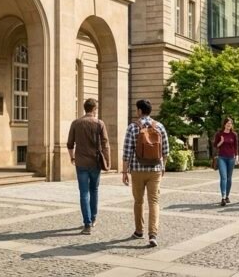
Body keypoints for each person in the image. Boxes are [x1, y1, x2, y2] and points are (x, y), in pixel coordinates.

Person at [121, 99, 169, 248]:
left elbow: (127, 152)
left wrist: (124, 171)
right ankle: (153, 234)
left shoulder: (133, 127)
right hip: (155, 169)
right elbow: (166, 150)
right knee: (154, 202)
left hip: (137, 170)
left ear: (140, 111)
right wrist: (163, 167)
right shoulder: (159, 126)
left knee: (138, 201)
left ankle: (139, 231)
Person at [67, 98, 111, 234]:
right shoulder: (99, 123)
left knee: (84, 192)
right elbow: (105, 144)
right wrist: (108, 162)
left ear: (85, 108)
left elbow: (69, 144)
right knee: (94, 190)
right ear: (94, 109)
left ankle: (87, 224)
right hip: (95, 162)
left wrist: (72, 157)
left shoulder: (76, 123)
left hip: (80, 162)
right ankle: (93, 218)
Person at [213, 117, 238, 207]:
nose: (229, 124)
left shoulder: (234, 135)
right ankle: (223, 197)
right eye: (227, 123)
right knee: (223, 177)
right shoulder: (219, 134)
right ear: (224, 124)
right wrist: (221, 141)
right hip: (222, 158)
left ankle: (227, 195)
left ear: (232, 125)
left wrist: (237, 157)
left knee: (229, 178)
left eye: (230, 123)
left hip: (231, 158)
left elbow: (236, 147)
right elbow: (215, 145)